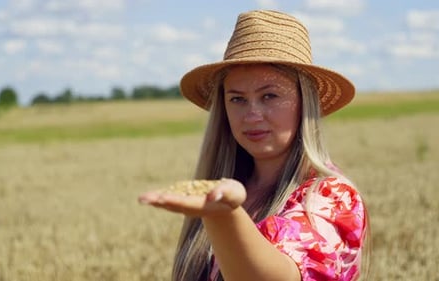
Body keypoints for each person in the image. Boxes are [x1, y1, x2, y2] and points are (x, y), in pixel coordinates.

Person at [139, 9, 369, 281]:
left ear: (305, 102)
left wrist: (224, 215)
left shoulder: (332, 196)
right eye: (237, 99)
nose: (251, 115)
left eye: (269, 95)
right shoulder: (231, 185)